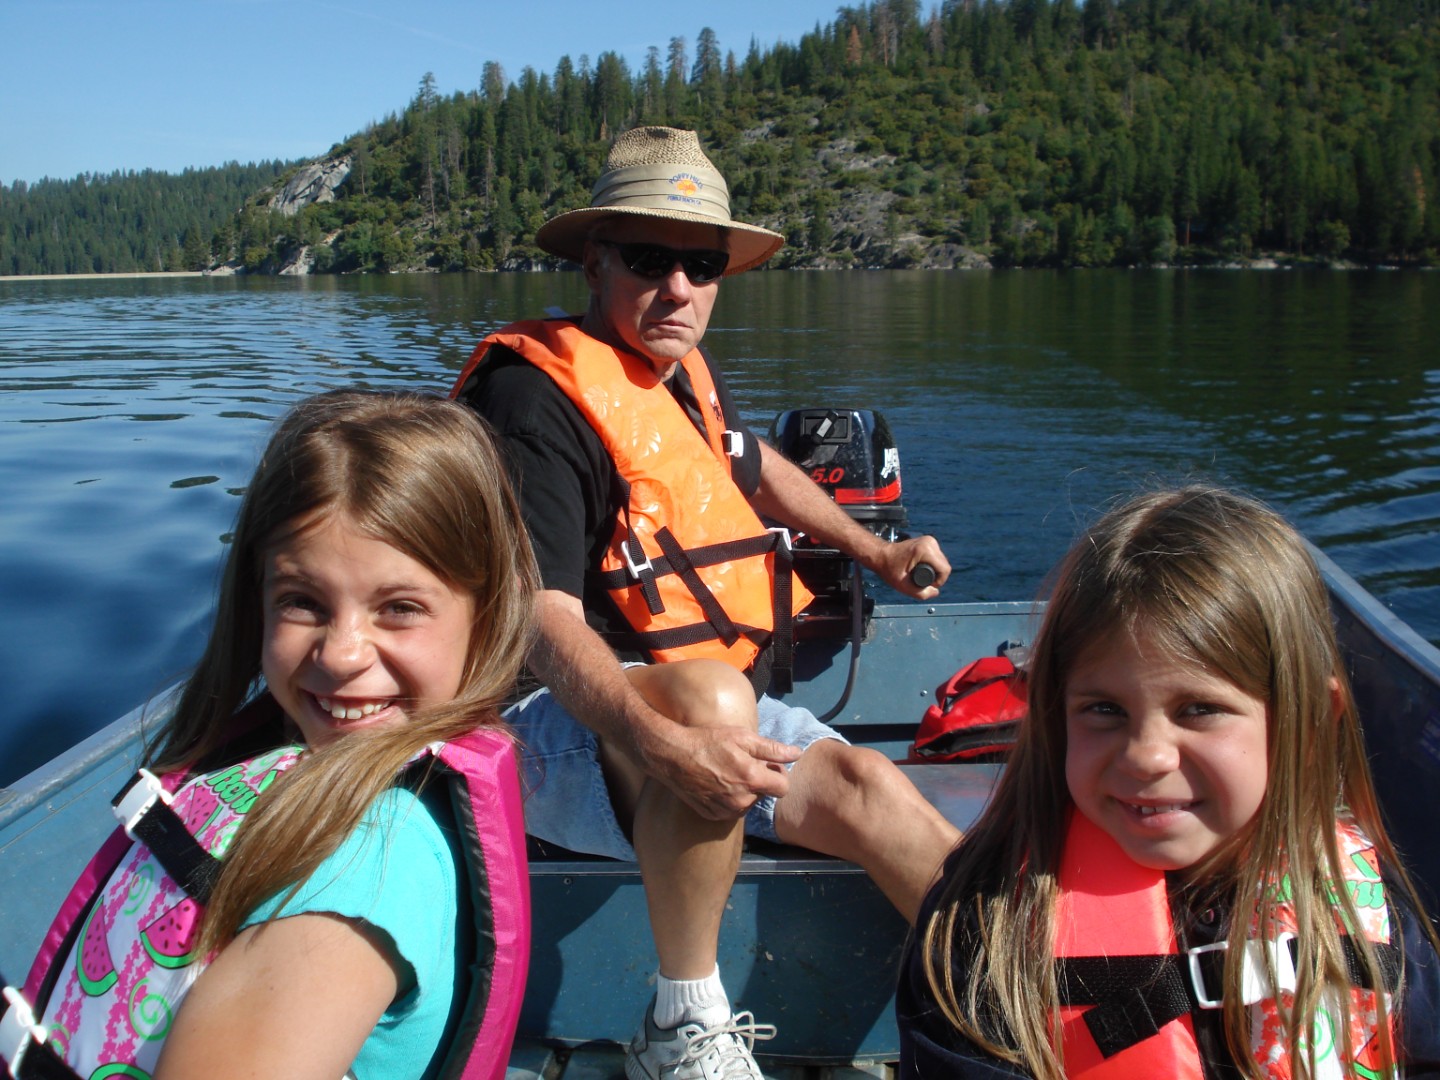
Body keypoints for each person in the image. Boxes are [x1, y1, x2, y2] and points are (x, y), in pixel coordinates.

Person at [452, 125, 961, 1079]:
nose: (679, 288)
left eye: (703, 264)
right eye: (650, 260)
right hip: (543, 727)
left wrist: (875, 550)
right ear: (596, 263)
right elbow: (541, 623)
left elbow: (751, 463)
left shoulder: (677, 372)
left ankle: (1005, 1016)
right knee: (714, 700)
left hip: (698, 712)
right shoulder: (530, 405)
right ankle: (680, 1025)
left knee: (874, 790)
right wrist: (662, 742)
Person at [5, 390, 539, 1080]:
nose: (341, 654)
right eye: (302, 602)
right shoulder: (300, 762)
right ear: (255, 601)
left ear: (487, 613)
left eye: (400, 607)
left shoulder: (362, 870)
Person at [898, 485, 1440, 1079]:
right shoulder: (985, 928)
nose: (1147, 756)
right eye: (1105, 710)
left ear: (1307, 721)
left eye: (1199, 709)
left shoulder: (1380, 918)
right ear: (1056, 714)